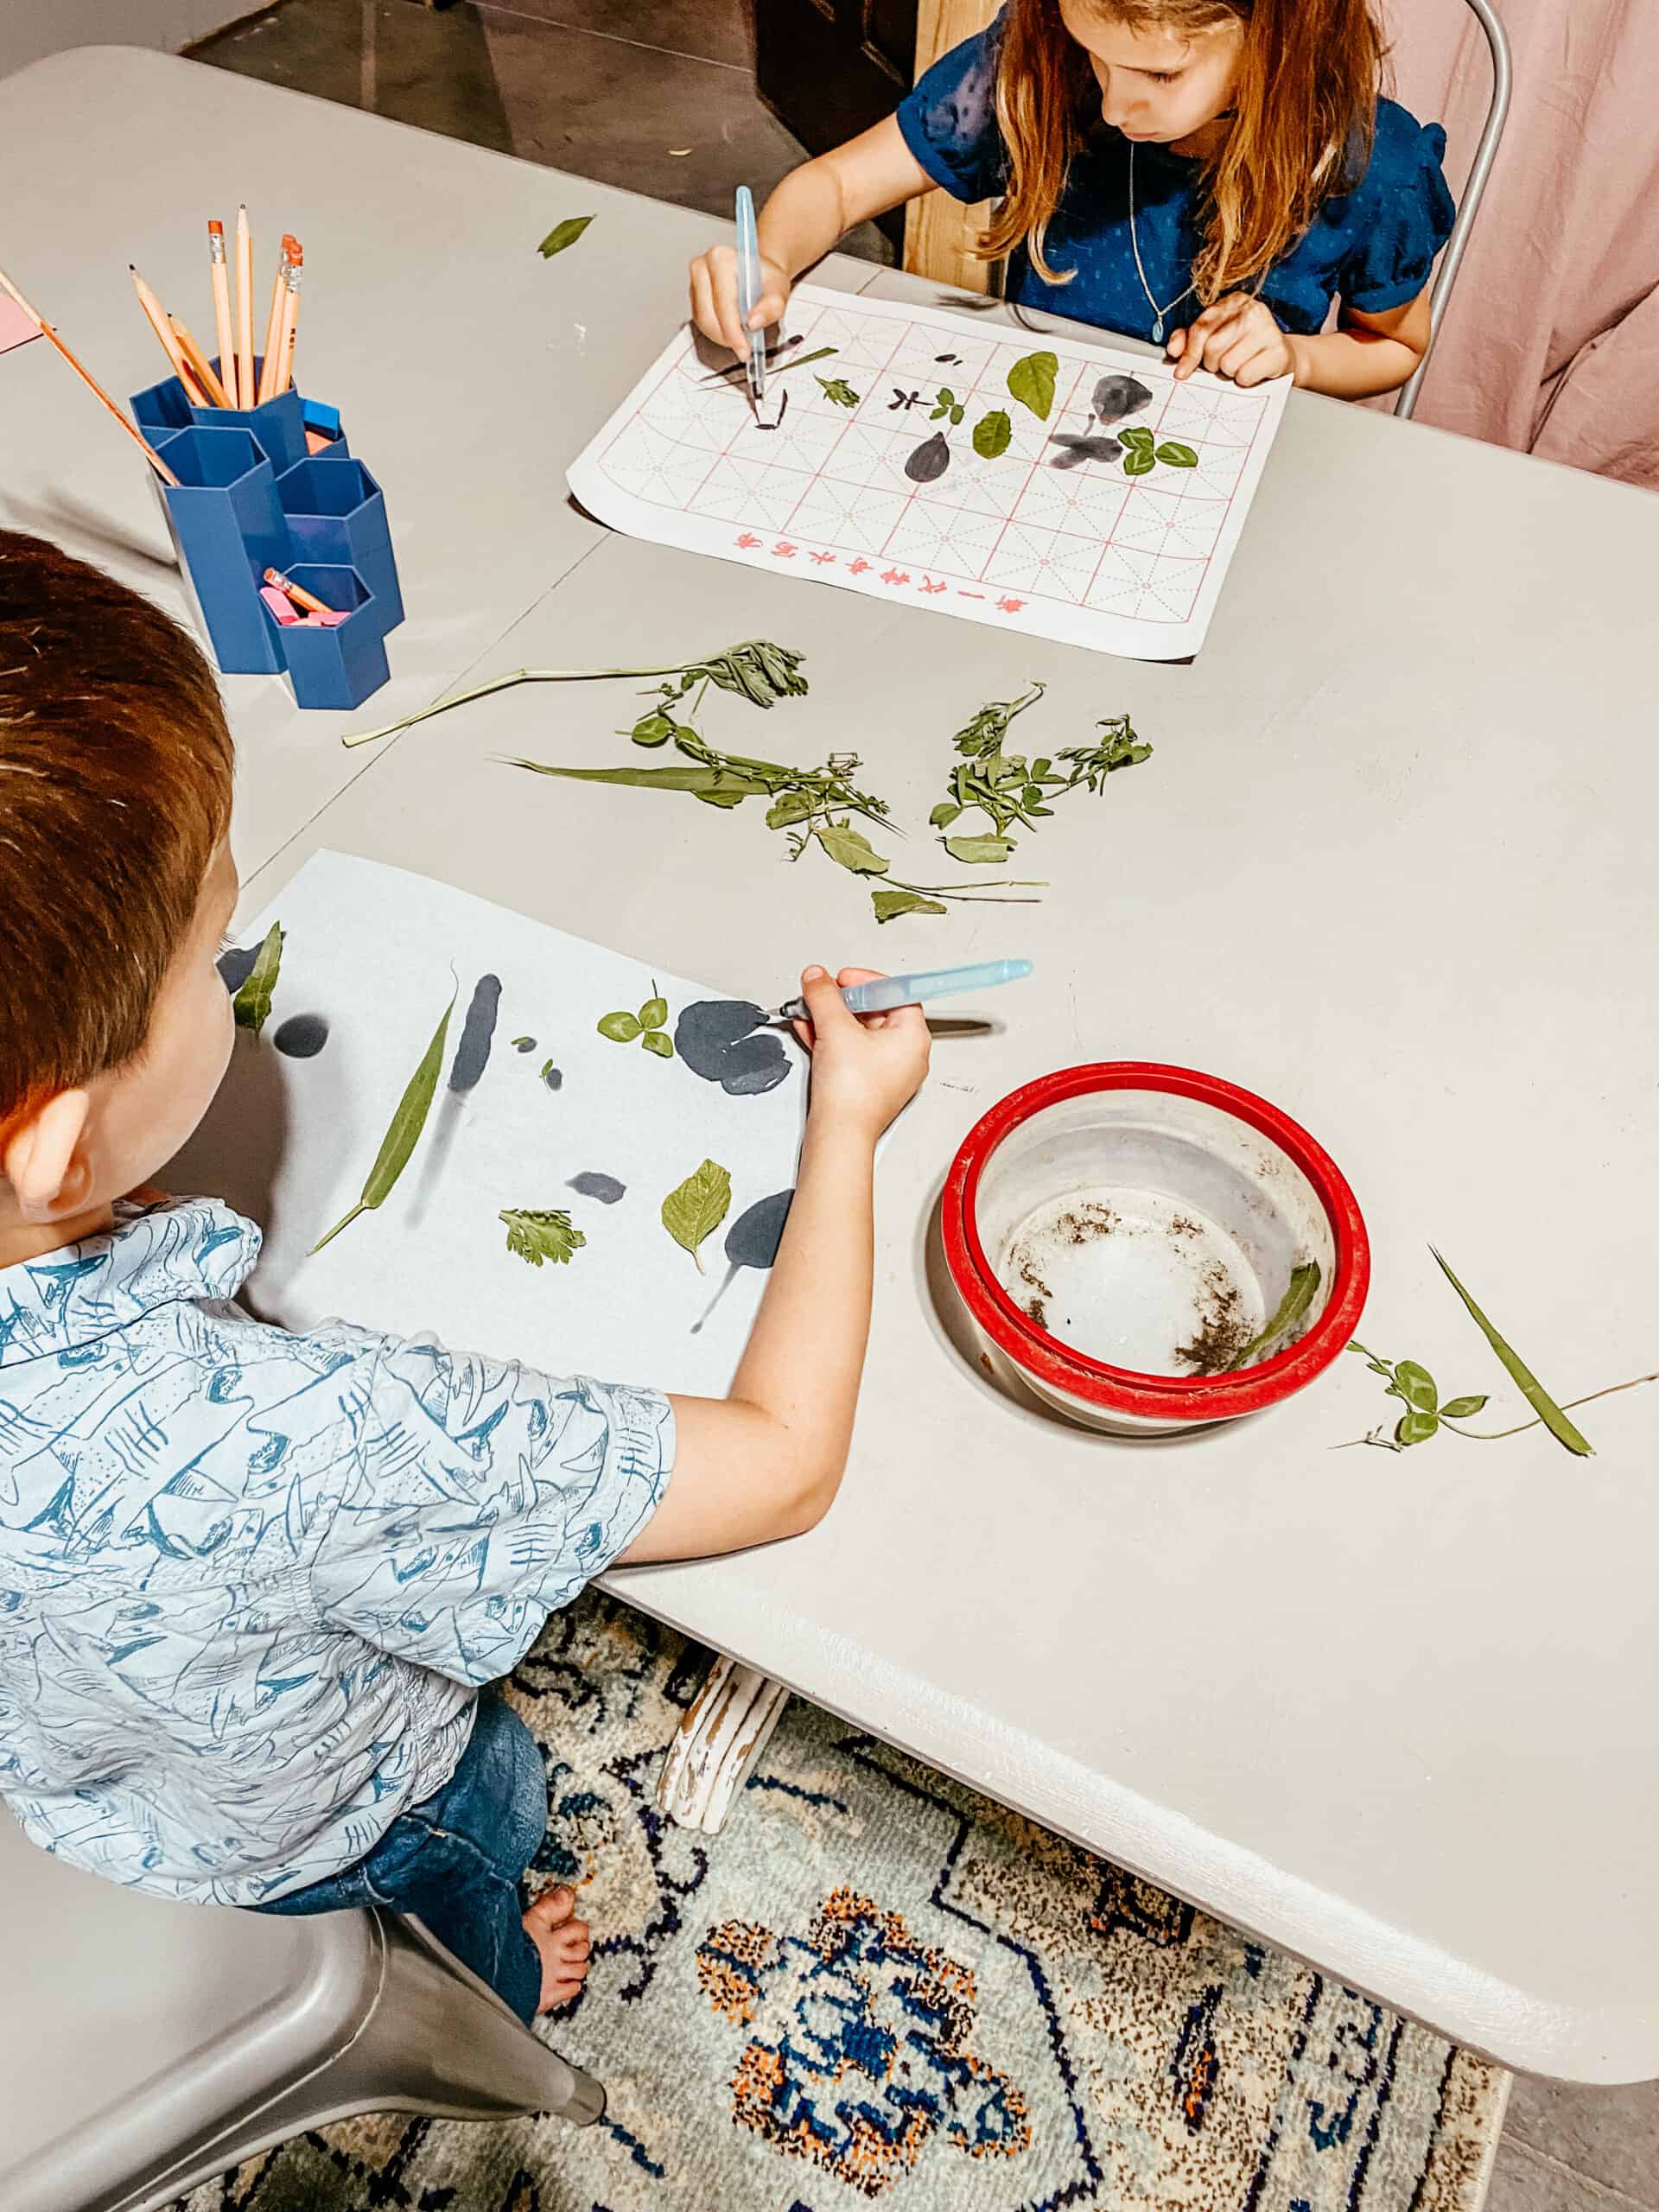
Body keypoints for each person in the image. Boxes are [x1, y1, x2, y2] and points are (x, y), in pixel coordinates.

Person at [0, 530, 930, 2024]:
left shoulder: (48, 1202)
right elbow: (782, 1465)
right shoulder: (297, 1440)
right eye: (209, 955)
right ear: (52, 1143)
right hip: (331, 1816)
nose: (234, 973)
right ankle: (498, 1982)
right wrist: (850, 1126)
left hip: (97, 1782)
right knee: (472, 1867)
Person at [690, 0, 1454, 399]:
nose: (1116, 108)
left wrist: (1293, 357)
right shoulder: (1041, 64)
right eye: (1095, 54)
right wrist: (772, 262)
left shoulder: (1370, 172)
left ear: (1275, 43)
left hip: (1213, 476)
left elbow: (1394, 346)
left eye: (1159, 77)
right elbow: (837, 184)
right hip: (1026, 424)